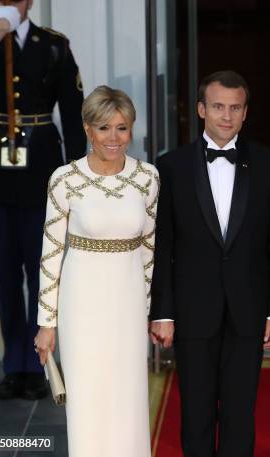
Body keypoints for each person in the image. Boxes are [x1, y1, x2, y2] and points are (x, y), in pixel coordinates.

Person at [150, 70, 270, 457]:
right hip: (193, 311)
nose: (226, 116)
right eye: (218, 106)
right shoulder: (171, 166)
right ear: (200, 109)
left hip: (250, 308)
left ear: (245, 113)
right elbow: (165, 244)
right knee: (195, 412)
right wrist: (164, 311)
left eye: (235, 108)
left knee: (241, 414)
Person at [33, 86, 158, 457]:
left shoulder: (148, 177)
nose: (114, 138)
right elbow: (51, 253)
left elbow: (150, 249)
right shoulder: (64, 179)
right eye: (104, 128)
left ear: (131, 129)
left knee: (129, 397)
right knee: (88, 399)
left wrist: (149, 310)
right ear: (88, 129)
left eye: (122, 128)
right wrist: (46, 322)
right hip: (81, 304)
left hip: (129, 302)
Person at [0, 0, 85, 400]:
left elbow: (74, 109)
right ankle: (14, 366)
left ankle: (37, 362)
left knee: (41, 272)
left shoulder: (54, 45)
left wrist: (80, 175)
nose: (9, 3)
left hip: (41, 169)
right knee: (5, 273)